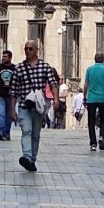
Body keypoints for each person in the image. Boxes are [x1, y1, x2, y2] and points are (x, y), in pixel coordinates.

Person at [9, 39, 61, 172]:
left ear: (36, 50)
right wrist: (12, 110)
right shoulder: (19, 68)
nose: (27, 51)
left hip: (38, 106)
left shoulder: (44, 66)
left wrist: (56, 99)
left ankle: (32, 159)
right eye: (26, 48)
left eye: (30, 49)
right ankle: (26, 156)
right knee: (26, 130)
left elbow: (53, 83)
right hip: (23, 105)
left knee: (35, 134)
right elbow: (13, 90)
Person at [83, 52, 104, 152]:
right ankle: (102, 136)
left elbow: (86, 84)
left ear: (94, 59)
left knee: (91, 121)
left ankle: (93, 143)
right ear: (103, 59)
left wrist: (84, 97)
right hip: (103, 98)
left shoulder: (89, 69)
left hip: (91, 98)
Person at [0, 49, 19, 140]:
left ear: (10, 58)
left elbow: (18, 81)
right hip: (0, 94)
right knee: (1, 113)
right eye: (3, 56)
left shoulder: (15, 68)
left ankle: (7, 132)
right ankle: (2, 131)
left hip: (11, 95)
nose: (3, 58)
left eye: (5, 56)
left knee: (9, 115)